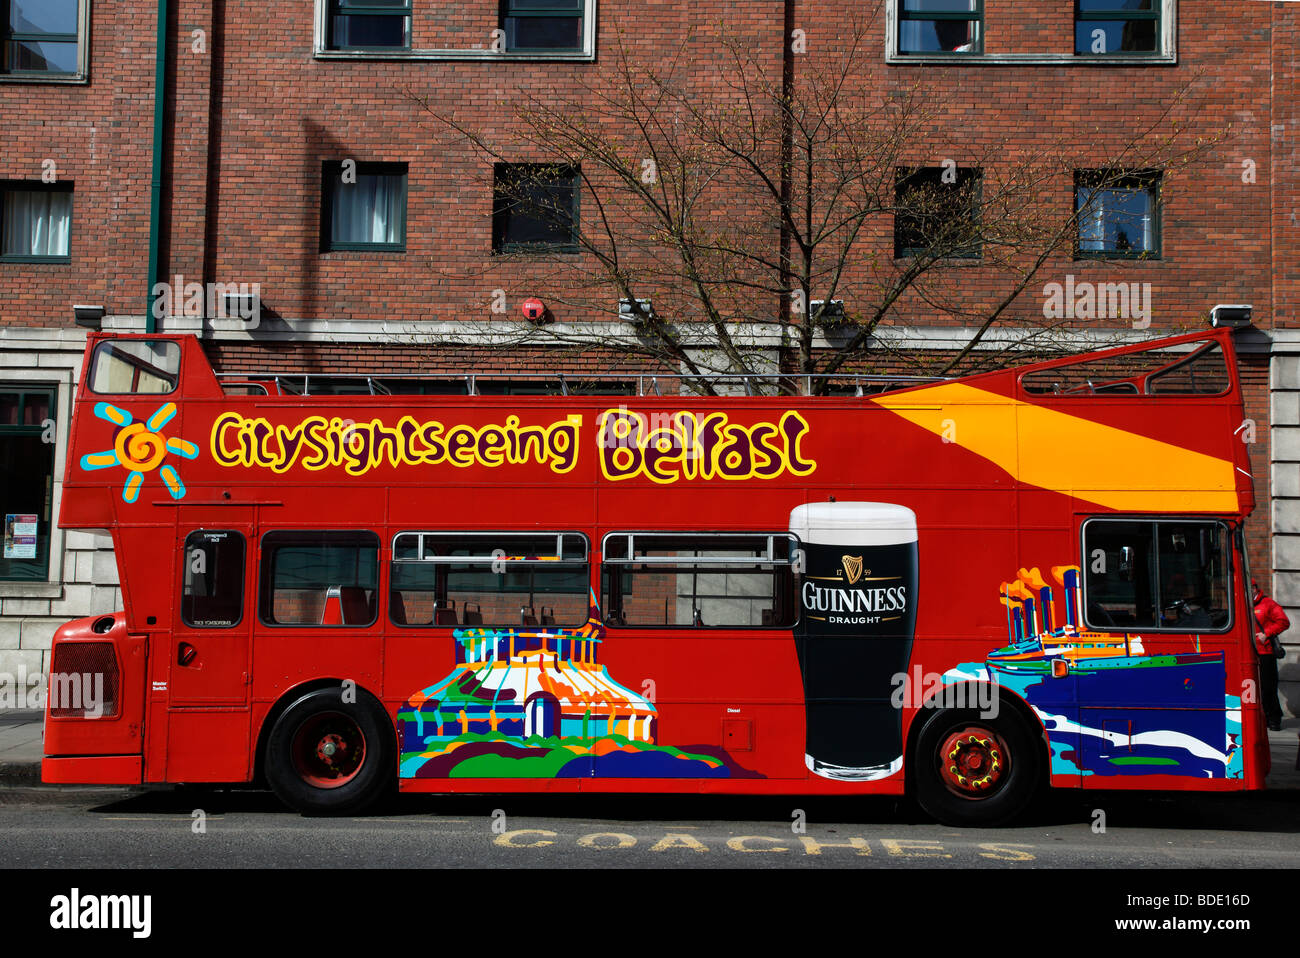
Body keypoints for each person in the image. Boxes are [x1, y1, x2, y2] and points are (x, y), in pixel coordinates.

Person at [1252, 579, 1288, 731]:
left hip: (1265, 652)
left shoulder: (1268, 604)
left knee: (1268, 687)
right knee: (1255, 688)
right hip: (1251, 652)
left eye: (1250, 587)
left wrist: (1266, 633)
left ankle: (1274, 718)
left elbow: (1283, 622)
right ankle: (1262, 717)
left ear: (1255, 588)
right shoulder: (1243, 604)